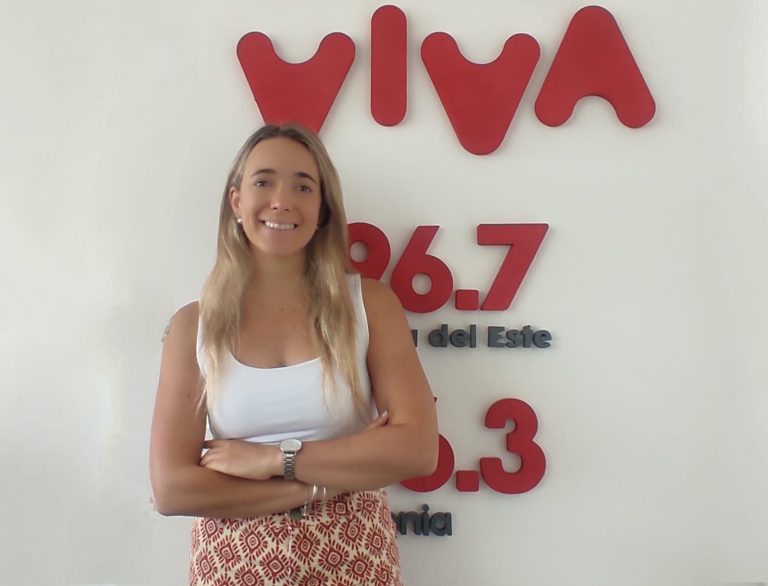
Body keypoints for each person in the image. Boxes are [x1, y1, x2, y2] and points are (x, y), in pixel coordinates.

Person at [149, 123, 439, 585]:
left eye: (303, 187)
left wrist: (273, 460)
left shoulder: (369, 306)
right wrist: (327, 482)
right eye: (263, 182)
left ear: (322, 209)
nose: (282, 200)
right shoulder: (193, 327)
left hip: (353, 556)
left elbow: (418, 450)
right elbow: (172, 489)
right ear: (236, 201)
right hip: (233, 565)